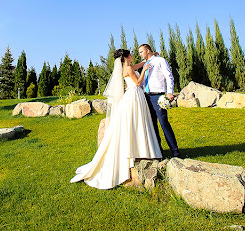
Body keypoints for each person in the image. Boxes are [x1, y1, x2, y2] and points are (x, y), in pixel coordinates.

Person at [70, 49, 162, 190]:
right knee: (135, 123)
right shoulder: (127, 68)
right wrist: (145, 71)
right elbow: (137, 83)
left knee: (136, 123)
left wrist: (148, 60)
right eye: (130, 54)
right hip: (134, 97)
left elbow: (139, 65)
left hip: (135, 97)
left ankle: (140, 150)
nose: (132, 56)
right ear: (125, 57)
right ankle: (137, 151)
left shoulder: (129, 67)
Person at [138, 43, 180, 158]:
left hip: (158, 96)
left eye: (141, 52)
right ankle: (159, 152)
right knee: (152, 126)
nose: (140, 54)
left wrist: (169, 91)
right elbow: (143, 81)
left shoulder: (160, 60)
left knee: (164, 124)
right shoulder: (145, 64)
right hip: (146, 97)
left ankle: (175, 152)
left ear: (147, 50)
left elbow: (169, 76)